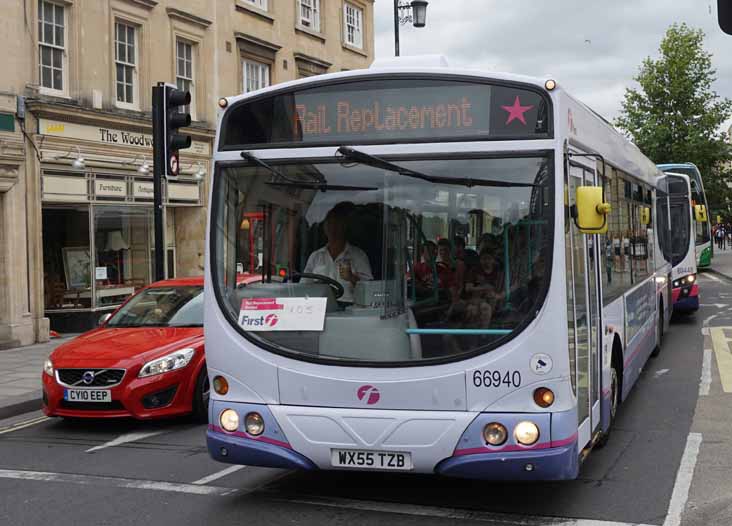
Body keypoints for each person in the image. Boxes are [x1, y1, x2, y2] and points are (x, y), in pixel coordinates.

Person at [303, 203, 373, 303]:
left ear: (344, 226)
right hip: (319, 308)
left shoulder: (358, 256)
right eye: (329, 223)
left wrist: (352, 278)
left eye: (336, 223)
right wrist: (316, 286)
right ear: (324, 228)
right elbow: (303, 287)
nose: (332, 227)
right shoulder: (315, 256)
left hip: (349, 310)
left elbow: (370, 290)